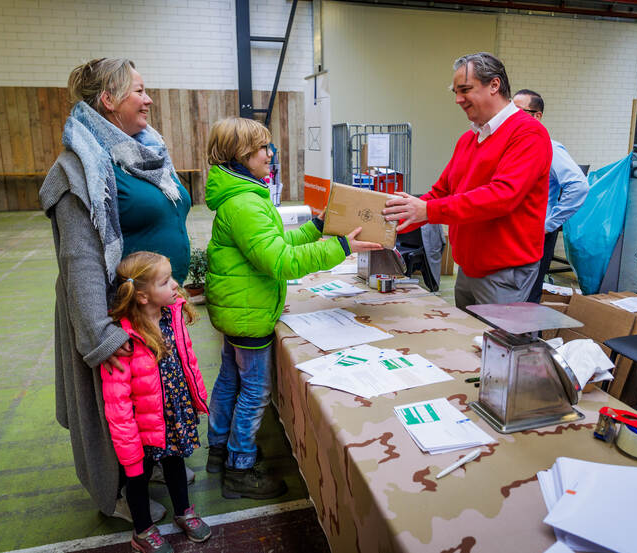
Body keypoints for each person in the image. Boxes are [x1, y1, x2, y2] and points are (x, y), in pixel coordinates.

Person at [39, 58, 192, 522]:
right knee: (119, 417)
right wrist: (103, 338)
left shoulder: (144, 153)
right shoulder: (78, 168)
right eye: (138, 91)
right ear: (108, 100)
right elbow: (80, 262)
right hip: (118, 318)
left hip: (156, 310)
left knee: (154, 401)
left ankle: (153, 463)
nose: (148, 99)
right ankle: (122, 493)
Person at [203, 117, 382, 499]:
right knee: (254, 391)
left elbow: (275, 240)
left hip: (237, 309)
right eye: (263, 149)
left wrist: (318, 227)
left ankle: (219, 450)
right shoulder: (246, 203)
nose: (270, 155)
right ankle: (239, 466)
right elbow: (280, 261)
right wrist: (342, 248)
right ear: (241, 155)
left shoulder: (241, 196)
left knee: (229, 381)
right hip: (248, 314)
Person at [383, 52, 552, 311]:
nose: (458, 99)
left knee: (497, 346)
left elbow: (502, 196)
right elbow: (441, 192)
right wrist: (394, 218)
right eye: (455, 92)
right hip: (470, 268)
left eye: (465, 90)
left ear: (494, 85)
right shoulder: (469, 139)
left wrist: (427, 210)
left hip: (504, 273)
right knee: (467, 345)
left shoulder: (528, 133)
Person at [102, 251, 210, 553]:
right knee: (138, 477)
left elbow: (188, 360)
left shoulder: (172, 316)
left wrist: (195, 397)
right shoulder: (122, 339)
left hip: (174, 414)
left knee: (176, 462)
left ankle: (183, 511)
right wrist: (127, 443)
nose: (175, 285)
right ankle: (143, 531)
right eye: (165, 282)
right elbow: (116, 399)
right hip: (141, 427)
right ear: (143, 297)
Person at [512, 89, 589, 303]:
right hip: (513, 233)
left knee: (526, 297)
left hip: (536, 234)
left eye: (519, 111)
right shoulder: (513, 146)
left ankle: (526, 336)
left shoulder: (549, 147)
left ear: (537, 116)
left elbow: (578, 186)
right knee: (508, 296)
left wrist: (549, 224)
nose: (512, 116)